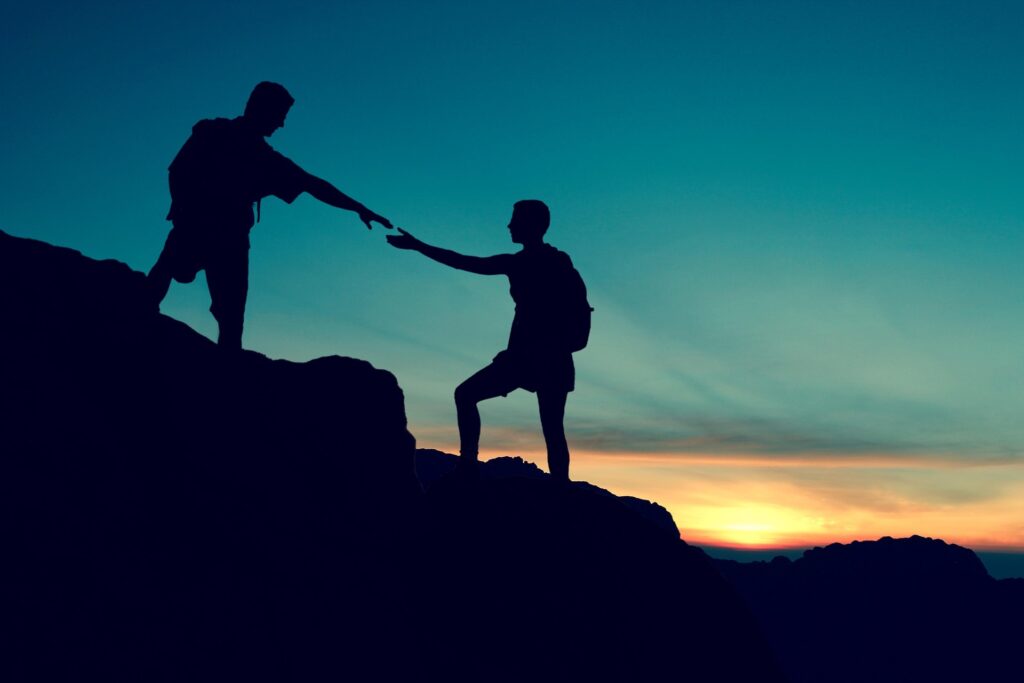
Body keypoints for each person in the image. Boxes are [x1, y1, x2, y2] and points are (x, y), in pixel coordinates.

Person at [147, 81, 392, 350]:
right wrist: (183, 210)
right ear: (261, 109)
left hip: (228, 238)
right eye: (280, 116)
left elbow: (313, 185)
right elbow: (178, 171)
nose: (282, 124)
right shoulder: (215, 133)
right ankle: (137, 325)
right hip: (203, 228)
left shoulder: (262, 156)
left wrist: (359, 207)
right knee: (168, 281)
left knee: (230, 318)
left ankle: (224, 371)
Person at [387, 200, 585, 482]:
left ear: (531, 224)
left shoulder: (520, 263)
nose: (509, 225)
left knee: (466, 395)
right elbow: (466, 263)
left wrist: (419, 246)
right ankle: (560, 488)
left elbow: (464, 263)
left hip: (528, 357)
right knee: (553, 428)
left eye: (515, 219)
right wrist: (419, 246)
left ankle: (468, 464)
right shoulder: (557, 263)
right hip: (551, 357)